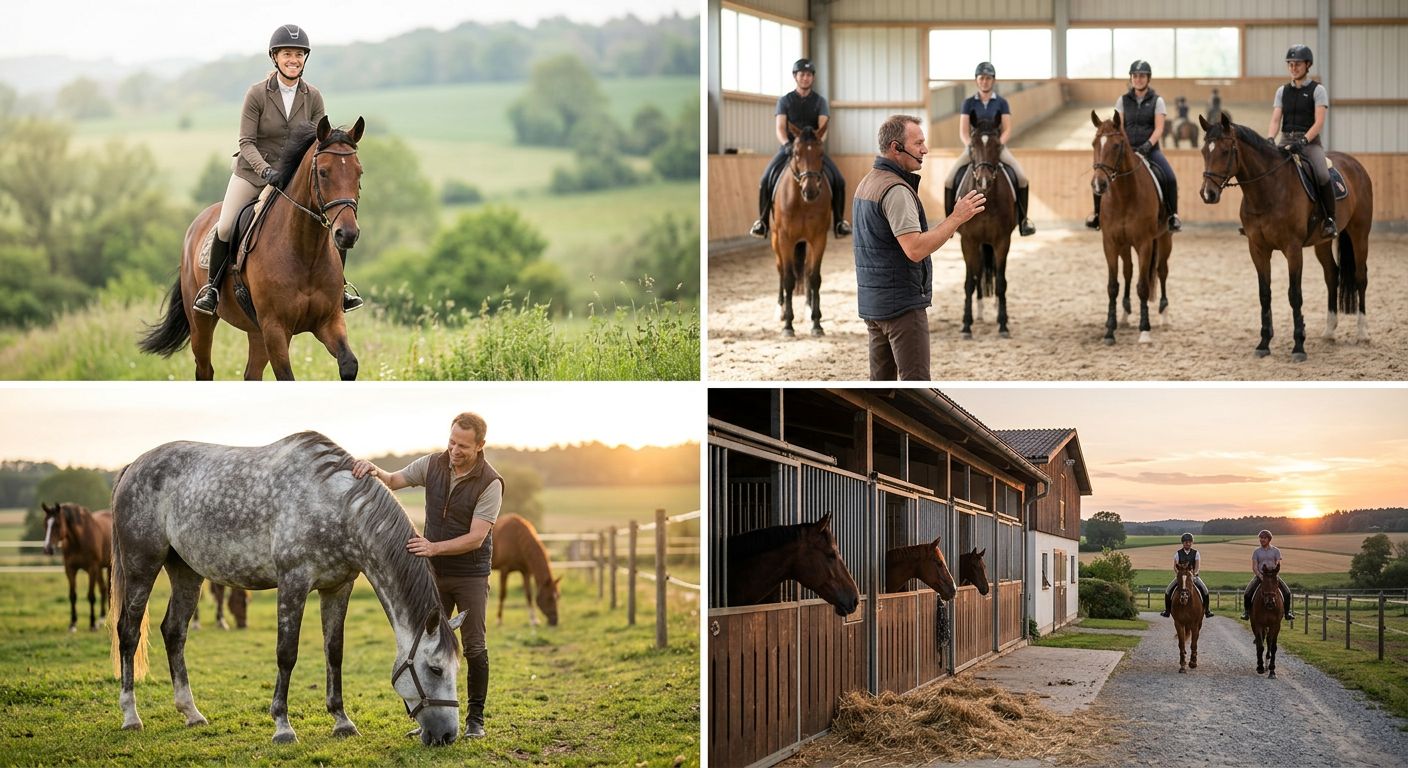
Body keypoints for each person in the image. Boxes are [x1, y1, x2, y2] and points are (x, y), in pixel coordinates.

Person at [193, 24, 363, 316]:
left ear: (304, 59)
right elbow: (246, 142)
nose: (293, 59)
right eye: (287, 54)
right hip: (252, 172)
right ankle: (212, 289)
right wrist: (264, 171)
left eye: (298, 54)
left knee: (333, 220)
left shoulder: (313, 97)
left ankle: (340, 289)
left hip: (293, 178)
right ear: (275, 57)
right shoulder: (257, 94)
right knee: (225, 225)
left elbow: (318, 143)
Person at [352, 412, 503, 738]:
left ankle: (475, 720)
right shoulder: (433, 464)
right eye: (451, 442)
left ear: (480, 446)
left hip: (470, 575)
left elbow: (476, 537)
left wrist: (433, 548)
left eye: (463, 446)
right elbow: (393, 481)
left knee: (474, 646)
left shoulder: (491, 483)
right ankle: (428, 719)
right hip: (434, 575)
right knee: (427, 646)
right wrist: (372, 468)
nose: (454, 450)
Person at [852, 114, 985, 380]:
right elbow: (915, 249)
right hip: (902, 307)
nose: (925, 149)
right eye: (918, 143)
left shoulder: (867, 182)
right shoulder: (896, 191)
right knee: (916, 384)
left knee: (880, 388)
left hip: (874, 306)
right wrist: (957, 217)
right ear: (895, 147)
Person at [749, 58, 851, 240]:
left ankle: (839, 222)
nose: (805, 78)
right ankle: (762, 222)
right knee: (765, 179)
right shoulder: (785, 101)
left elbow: (822, 129)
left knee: (839, 180)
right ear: (795, 76)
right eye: (802, 74)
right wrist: (787, 145)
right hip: (789, 149)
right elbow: (780, 128)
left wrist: (817, 143)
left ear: (813, 78)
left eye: (809, 75)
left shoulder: (820, 102)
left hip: (812, 150)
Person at [1086, 60, 1182, 233]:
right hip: (1126, 150)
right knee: (1101, 175)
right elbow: (1119, 126)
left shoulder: (1157, 101)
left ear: (1148, 78)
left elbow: (1159, 128)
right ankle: (1097, 214)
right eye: (1135, 76)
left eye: (1142, 76)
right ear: (1131, 78)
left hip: (1150, 150)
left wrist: (1147, 146)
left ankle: (1172, 216)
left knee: (1170, 177)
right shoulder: (1122, 101)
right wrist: (1126, 146)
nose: (1138, 79)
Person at [943, 62, 1035, 236]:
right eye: (982, 78)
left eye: (988, 78)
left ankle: (1023, 221)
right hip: (974, 149)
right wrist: (971, 147)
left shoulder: (1001, 102)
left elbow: (1007, 128)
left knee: (1022, 178)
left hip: (996, 148)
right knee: (949, 179)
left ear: (993, 80)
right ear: (977, 80)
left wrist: (998, 145)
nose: (985, 81)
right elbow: (963, 131)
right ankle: (950, 225)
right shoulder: (968, 103)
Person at [1269, 45, 1336, 239]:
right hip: (1285, 140)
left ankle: (1330, 219)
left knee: (1323, 174)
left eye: (1297, 64)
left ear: (1307, 65)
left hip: (1310, 143)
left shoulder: (1318, 90)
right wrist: (1270, 138)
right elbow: (1275, 119)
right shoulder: (1282, 91)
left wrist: (1305, 140)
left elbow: (1319, 121)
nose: (1293, 67)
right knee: (1266, 170)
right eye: (1290, 64)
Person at [1241, 529, 1295, 621]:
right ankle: (1247, 613)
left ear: (1269, 539)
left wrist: (1273, 575)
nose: (1262, 540)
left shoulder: (1276, 551)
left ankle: (1287, 613)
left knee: (1287, 592)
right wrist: (1260, 576)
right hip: (1261, 575)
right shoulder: (1256, 551)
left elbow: (1278, 564)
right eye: (1261, 538)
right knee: (1247, 593)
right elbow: (1254, 567)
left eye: (1264, 538)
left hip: (1273, 576)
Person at [1160, 533, 1215, 619]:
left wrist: (1193, 575)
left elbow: (1197, 567)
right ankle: (1167, 611)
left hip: (1193, 577)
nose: (1188, 544)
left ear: (1192, 543)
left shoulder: (1196, 553)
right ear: (1183, 543)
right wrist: (1179, 575)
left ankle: (1207, 611)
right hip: (1181, 577)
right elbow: (1175, 567)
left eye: (1189, 542)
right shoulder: (1178, 554)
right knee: (1168, 591)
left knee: (1205, 591)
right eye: (1186, 542)